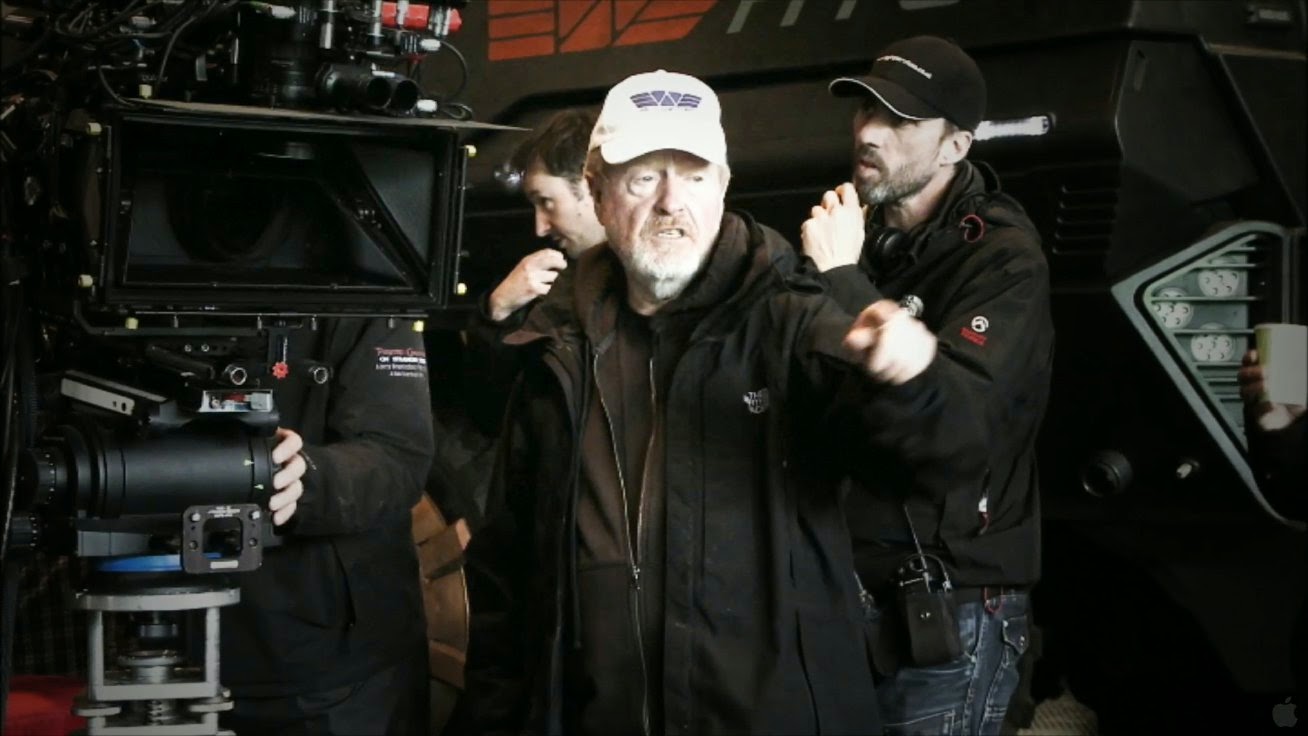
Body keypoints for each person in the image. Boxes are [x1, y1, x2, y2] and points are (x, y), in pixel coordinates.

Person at [461, 68, 988, 736]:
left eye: (695, 176)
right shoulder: (555, 343)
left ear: (724, 185)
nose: (671, 203)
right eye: (644, 178)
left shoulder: (791, 320)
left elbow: (944, 466)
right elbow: (506, 571)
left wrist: (915, 386)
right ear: (596, 189)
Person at [800, 35, 1055, 735]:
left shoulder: (1003, 260)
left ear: (956, 146)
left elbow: (955, 435)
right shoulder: (852, 236)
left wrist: (843, 283)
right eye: (866, 111)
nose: (870, 133)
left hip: (949, 607)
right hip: (840, 596)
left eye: (902, 121)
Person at [220, 318, 435, 735]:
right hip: (148, 634)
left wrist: (307, 477)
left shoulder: (372, 291)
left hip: (332, 664)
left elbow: (399, 455)